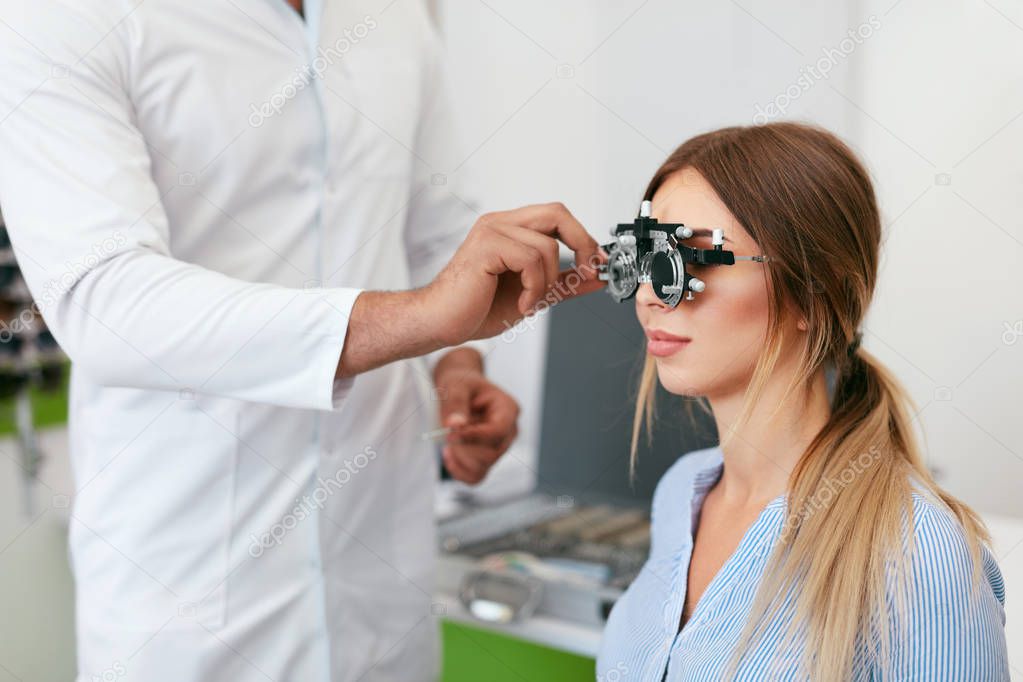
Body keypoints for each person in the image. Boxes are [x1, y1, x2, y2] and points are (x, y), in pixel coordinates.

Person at [0, 1, 601, 681]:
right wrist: (418, 318)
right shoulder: (63, 16)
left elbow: (437, 230)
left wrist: (456, 364)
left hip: (382, 590)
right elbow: (104, 299)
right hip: (192, 594)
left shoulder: (393, 16)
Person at [596, 122, 1009, 680]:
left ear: (812, 295)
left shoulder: (918, 552)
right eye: (646, 258)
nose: (648, 295)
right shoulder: (680, 494)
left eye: (688, 262)